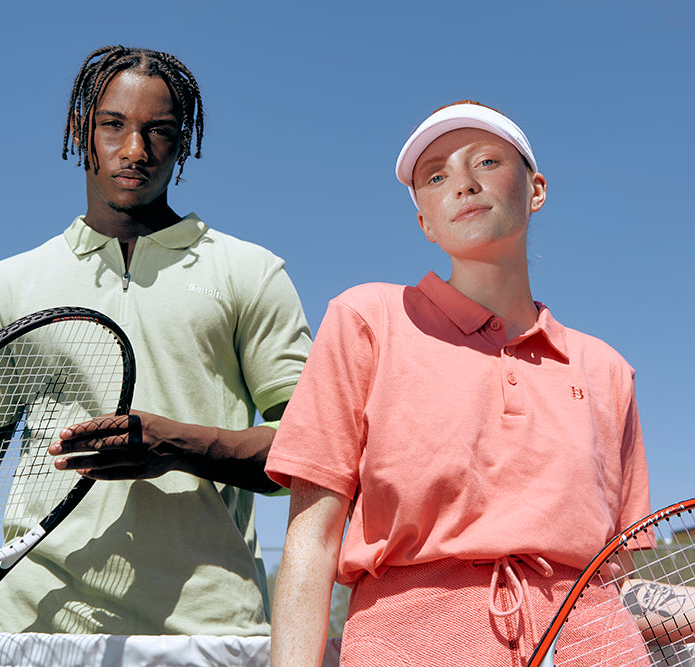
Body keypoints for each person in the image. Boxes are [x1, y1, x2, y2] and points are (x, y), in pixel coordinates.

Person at [0, 45, 312, 636]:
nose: (134, 150)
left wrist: (178, 444)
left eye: (158, 131)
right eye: (112, 125)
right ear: (79, 129)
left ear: (183, 142)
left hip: (209, 632)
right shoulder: (8, 284)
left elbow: (311, 452)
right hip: (33, 630)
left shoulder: (251, 272)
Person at [265, 101, 653, 665]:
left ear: (536, 189)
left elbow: (619, 581)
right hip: (410, 646)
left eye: (488, 162)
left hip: (597, 647)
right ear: (424, 219)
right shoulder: (367, 318)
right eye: (437, 176)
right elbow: (312, 537)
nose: (464, 185)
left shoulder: (608, 370)